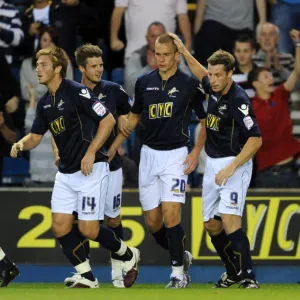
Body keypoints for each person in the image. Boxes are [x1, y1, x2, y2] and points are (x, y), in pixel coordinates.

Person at [10, 46, 140, 288]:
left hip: (91, 170)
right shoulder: (45, 102)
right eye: (37, 65)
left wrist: (91, 153)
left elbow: (108, 120)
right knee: (59, 226)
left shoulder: (77, 91)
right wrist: (20, 143)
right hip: (66, 173)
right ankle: (86, 275)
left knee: (90, 230)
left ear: (58, 68)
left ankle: (128, 254)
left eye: (43, 65)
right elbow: (36, 137)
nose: (38, 69)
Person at [108, 34, 207, 288]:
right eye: (157, 53)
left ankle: (177, 274)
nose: (160, 59)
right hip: (148, 155)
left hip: (176, 156)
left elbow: (205, 119)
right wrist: (113, 147)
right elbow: (134, 117)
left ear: (175, 55)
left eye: (165, 54)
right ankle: (181, 255)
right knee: (153, 223)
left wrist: (196, 151)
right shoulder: (143, 82)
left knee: (172, 215)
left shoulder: (188, 84)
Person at [169, 33, 262, 288]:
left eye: (218, 75)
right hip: (213, 163)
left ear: (230, 73)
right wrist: (185, 52)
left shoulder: (239, 100)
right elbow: (200, 73)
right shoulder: (213, 85)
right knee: (211, 224)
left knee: (230, 219)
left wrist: (232, 168)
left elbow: (256, 139)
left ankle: (249, 276)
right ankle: (232, 272)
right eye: (212, 74)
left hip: (236, 163)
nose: (213, 79)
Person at [58, 43, 132, 288]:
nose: (99, 70)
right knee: (82, 220)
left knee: (112, 219)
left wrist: (113, 148)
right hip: (81, 168)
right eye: (94, 66)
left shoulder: (113, 91)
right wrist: (57, 150)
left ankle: (119, 269)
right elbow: (58, 126)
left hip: (109, 165)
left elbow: (130, 119)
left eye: (101, 65)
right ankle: (85, 271)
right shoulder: (69, 92)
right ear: (81, 68)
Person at [248, 29, 300, 188]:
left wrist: (298, 44)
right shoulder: (249, 108)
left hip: (291, 172)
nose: (271, 78)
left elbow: (297, 72)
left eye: (270, 75)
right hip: (266, 176)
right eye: (266, 76)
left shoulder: (280, 95)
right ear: (256, 84)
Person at [124, 21, 191, 98]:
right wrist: (149, 68)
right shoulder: (137, 56)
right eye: (153, 36)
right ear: (147, 38)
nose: (157, 40)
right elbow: (129, 85)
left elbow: (188, 81)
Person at [110, 0, 192, 60]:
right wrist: (114, 38)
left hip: (168, 54)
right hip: (135, 52)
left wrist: (188, 43)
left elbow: (182, 15)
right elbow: (119, 10)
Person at [253, 22, 294, 86]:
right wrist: (266, 68)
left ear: (277, 38)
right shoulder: (252, 60)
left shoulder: (288, 58)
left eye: (271, 34)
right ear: (258, 39)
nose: (267, 38)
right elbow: (252, 85)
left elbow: (296, 86)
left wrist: (279, 68)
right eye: (263, 34)